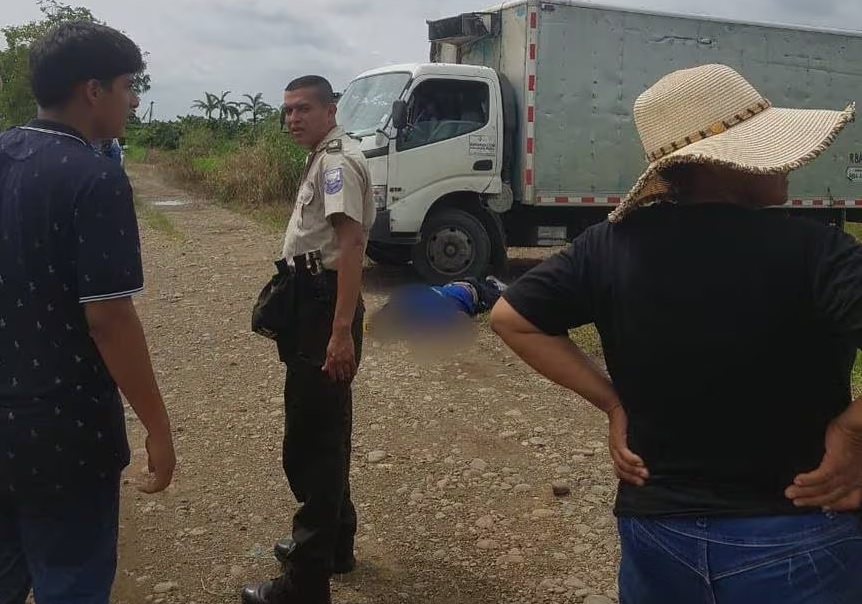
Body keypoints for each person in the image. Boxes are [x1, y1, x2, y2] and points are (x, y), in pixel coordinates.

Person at [490, 63, 861, 604]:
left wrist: (614, 405)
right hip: (797, 531)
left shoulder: (607, 246)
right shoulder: (818, 252)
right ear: (726, 164)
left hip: (657, 535)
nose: (790, 164)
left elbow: (509, 318)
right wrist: (852, 432)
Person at [0, 21, 175, 604]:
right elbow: (109, 320)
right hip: (63, 434)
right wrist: (156, 424)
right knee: (71, 577)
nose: (134, 99)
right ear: (93, 90)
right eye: (129, 85)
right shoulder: (95, 177)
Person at [243, 75, 375, 604]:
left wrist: (340, 331)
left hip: (323, 309)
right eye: (288, 111)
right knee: (327, 426)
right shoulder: (326, 154)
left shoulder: (337, 161)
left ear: (330, 108)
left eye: (303, 109)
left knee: (311, 440)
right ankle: (334, 545)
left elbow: (351, 245)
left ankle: (305, 580)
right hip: (314, 303)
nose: (293, 119)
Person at [368, 276, 507, 341]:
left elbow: (462, 319)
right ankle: (490, 283)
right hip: (454, 286)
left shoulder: (429, 312)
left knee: (503, 299)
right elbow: (374, 321)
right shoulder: (403, 298)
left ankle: (495, 286)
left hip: (473, 291)